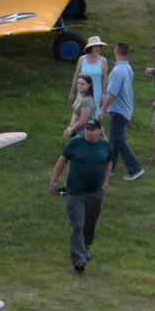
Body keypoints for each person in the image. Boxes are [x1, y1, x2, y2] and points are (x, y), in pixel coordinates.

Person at [51, 114, 113, 273]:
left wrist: (105, 183)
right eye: (87, 129)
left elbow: (108, 163)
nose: (89, 132)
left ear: (99, 131)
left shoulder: (105, 145)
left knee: (90, 223)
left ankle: (85, 248)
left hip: (95, 192)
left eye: (92, 129)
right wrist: (53, 182)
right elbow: (62, 161)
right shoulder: (76, 143)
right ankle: (79, 260)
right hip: (76, 192)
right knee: (78, 224)